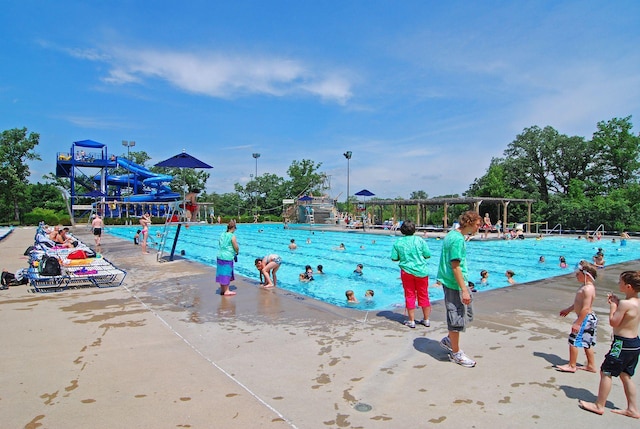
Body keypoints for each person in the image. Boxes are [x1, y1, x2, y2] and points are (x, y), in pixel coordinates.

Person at [578, 270, 640, 418]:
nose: (618, 283)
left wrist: (613, 306)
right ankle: (632, 409)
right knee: (626, 375)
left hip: (621, 344)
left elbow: (614, 322)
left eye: (621, 282)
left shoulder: (625, 304)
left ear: (629, 286)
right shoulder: (636, 302)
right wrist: (618, 304)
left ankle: (599, 405)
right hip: (635, 343)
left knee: (606, 372)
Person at [437, 210, 482, 368]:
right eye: (477, 224)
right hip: (454, 284)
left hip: (452, 282)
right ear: (469, 223)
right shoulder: (457, 240)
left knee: (465, 314)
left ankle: (450, 340)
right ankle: (456, 353)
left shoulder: (452, 235)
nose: (479, 227)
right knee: (456, 317)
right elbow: (455, 266)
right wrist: (463, 289)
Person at [556, 261, 598, 373]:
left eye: (578, 274)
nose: (576, 276)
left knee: (573, 341)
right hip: (588, 318)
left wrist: (578, 323)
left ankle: (572, 365)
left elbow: (585, 307)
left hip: (585, 318)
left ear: (586, 275)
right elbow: (578, 303)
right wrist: (568, 310)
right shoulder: (586, 287)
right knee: (586, 342)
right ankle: (591, 365)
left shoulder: (587, 289)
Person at [390, 219, 432, 328]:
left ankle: (411, 320)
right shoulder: (420, 240)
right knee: (424, 295)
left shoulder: (398, 242)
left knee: (410, 295)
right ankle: (426, 319)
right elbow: (427, 255)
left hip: (407, 272)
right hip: (421, 271)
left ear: (402, 230)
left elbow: (394, 258)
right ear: (414, 229)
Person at [216, 220, 239, 296]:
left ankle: (223, 289)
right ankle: (227, 291)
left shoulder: (222, 234)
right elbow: (236, 246)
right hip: (227, 256)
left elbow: (220, 243)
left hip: (220, 255)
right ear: (234, 228)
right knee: (226, 273)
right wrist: (237, 252)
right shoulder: (232, 236)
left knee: (221, 273)